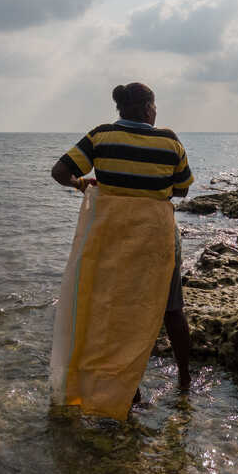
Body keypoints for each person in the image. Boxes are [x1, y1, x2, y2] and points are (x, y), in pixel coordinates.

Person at [49, 82, 193, 418]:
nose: (156, 111)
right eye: (154, 106)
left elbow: (60, 172)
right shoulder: (169, 140)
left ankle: (126, 392)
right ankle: (185, 379)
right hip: (156, 241)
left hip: (111, 239)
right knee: (171, 310)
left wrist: (81, 183)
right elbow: (182, 189)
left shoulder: (100, 136)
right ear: (147, 108)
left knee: (111, 312)